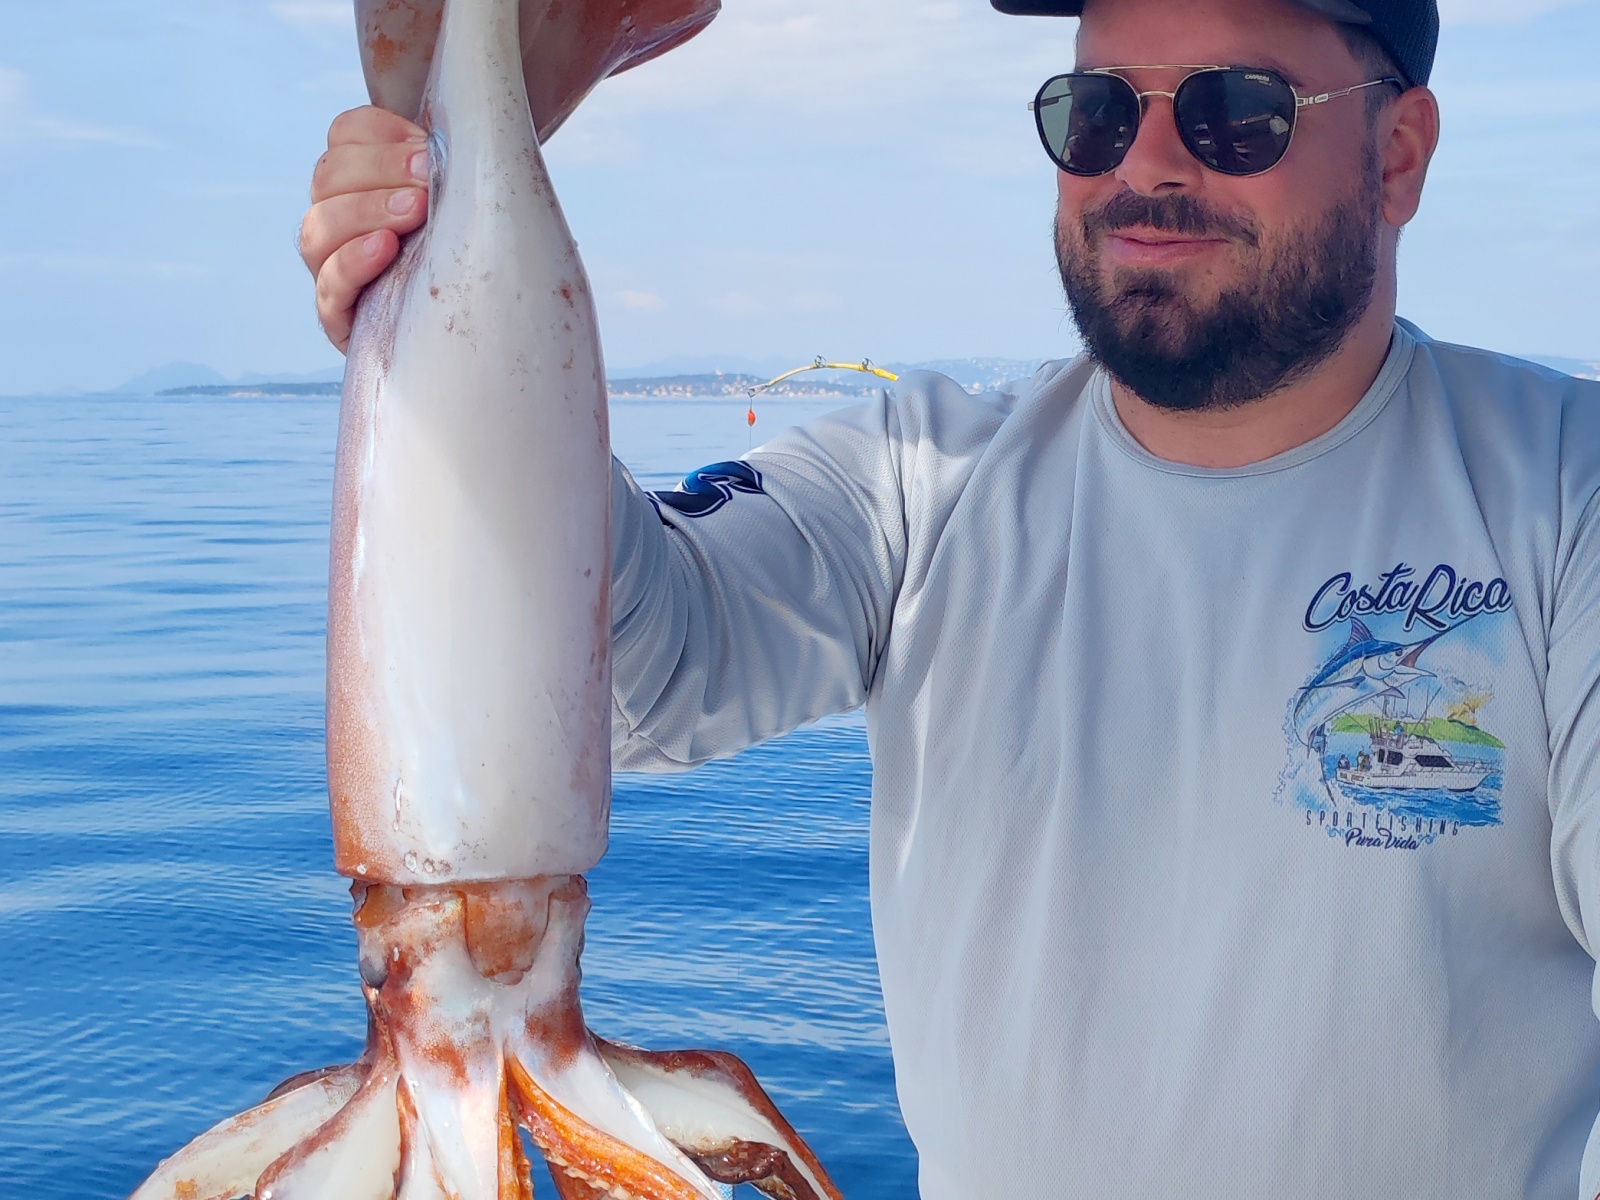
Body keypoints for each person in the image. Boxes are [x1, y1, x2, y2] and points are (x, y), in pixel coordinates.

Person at [297, 0, 1600, 1194]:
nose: (1145, 167)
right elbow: (622, 668)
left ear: (1399, 155)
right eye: (1094, 114)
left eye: (1235, 112)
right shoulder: (917, 480)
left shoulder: (1565, 501)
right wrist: (436, 223)